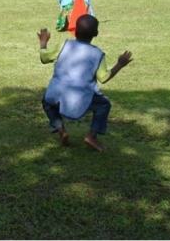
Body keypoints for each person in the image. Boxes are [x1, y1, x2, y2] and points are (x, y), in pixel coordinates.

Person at [39, 14, 133, 151]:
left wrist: (43, 42)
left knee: (47, 101)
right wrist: (119, 64)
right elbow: (104, 78)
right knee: (104, 104)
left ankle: (61, 130)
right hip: (79, 100)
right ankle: (92, 136)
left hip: (55, 95)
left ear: (75, 30)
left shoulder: (64, 45)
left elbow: (44, 58)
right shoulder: (98, 54)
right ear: (96, 33)